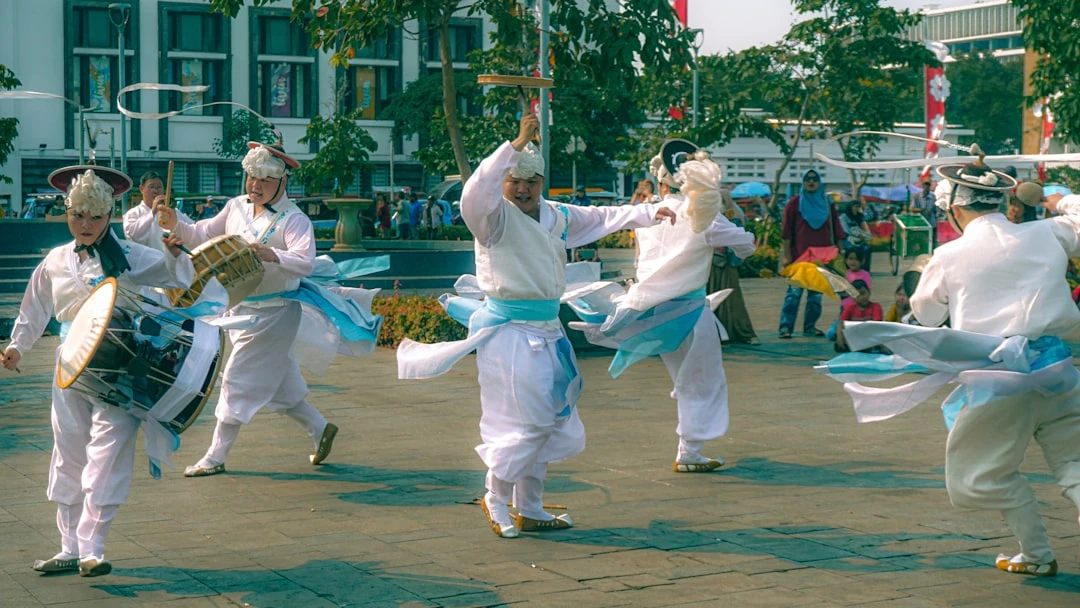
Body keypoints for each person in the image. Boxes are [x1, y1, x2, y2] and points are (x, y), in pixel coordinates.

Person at [396, 114, 675, 539]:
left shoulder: (558, 215)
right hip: (507, 333)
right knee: (528, 422)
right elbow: (474, 191)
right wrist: (515, 143)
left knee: (547, 417)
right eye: (514, 181)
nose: (523, 189)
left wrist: (651, 210)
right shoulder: (491, 219)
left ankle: (529, 505)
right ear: (503, 182)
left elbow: (602, 216)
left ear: (543, 181)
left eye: (532, 181)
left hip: (547, 330)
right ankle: (495, 494)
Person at [2, 166, 194, 577]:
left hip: (122, 367)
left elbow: (180, 276)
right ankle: (68, 545)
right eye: (77, 215)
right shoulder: (56, 259)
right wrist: (17, 347)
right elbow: (34, 307)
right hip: (70, 366)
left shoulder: (131, 255)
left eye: (95, 216)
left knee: (106, 456)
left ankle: (93, 546)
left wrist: (175, 256)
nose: (86, 225)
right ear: (67, 212)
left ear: (110, 215)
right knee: (68, 452)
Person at [156, 141, 340, 478]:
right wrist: (174, 223)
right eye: (251, 177)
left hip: (275, 312)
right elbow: (200, 235)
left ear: (282, 182)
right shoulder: (236, 207)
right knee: (280, 384)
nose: (255, 185)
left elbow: (306, 262)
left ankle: (215, 456)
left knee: (236, 380)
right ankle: (320, 427)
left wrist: (274, 255)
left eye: (264, 180)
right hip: (238, 309)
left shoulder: (294, 220)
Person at [575, 139, 756, 472]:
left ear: (661, 181)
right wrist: (724, 214)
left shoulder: (648, 215)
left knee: (684, 379)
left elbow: (642, 259)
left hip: (655, 311)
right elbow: (746, 245)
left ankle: (689, 449)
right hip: (689, 313)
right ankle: (689, 450)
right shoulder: (702, 217)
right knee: (702, 380)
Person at [778, 168, 845, 339]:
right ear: (803, 182)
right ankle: (786, 328)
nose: (811, 182)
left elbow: (836, 227)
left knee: (815, 297)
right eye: (808, 179)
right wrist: (787, 256)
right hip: (799, 257)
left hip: (821, 257)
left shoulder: (827, 203)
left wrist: (839, 250)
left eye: (815, 179)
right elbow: (786, 233)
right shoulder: (794, 203)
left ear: (819, 182)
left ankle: (810, 327)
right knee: (794, 294)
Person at [708, 190, 759, 345]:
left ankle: (738, 331)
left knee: (732, 298)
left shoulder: (734, 217)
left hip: (727, 262)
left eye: (721, 200)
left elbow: (740, 239)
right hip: (709, 263)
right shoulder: (706, 217)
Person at [122, 171, 193, 249]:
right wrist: (152, 212)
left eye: (159, 187)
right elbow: (132, 235)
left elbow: (191, 229)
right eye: (151, 187)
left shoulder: (173, 212)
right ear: (142, 189)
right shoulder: (133, 213)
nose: (155, 191)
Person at [834, 279, 882, 352]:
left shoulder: (876, 307)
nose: (861, 297)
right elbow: (841, 324)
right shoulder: (850, 308)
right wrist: (840, 339)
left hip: (870, 337)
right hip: (854, 338)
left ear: (869, 292)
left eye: (863, 293)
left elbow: (876, 325)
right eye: (857, 295)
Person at [840, 199, 873, 271]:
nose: (856, 209)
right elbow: (846, 230)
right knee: (850, 249)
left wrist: (866, 206)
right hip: (847, 239)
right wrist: (857, 235)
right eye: (855, 207)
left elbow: (869, 217)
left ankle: (865, 269)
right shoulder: (843, 217)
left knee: (867, 249)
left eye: (858, 207)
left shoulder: (859, 216)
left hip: (859, 239)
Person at [911, 178, 938, 248]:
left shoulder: (933, 197)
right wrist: (922, 210)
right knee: (921, 242)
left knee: (932, 242)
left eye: (928, 185)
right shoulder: (916, 196)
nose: (926, 187)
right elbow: (912, 209)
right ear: (922, 186)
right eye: (925, 185)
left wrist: (937, 215)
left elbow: (936, 210)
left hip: (931, 223)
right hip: (920, 223)